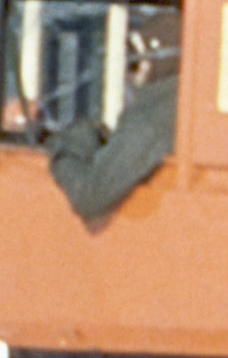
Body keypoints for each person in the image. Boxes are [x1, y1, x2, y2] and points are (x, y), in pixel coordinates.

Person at [46, 37, 177, 223]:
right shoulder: (180, 105)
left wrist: (66, 141)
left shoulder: (147, 121)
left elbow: (89, 195)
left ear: (146, 66)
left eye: (132, 62)